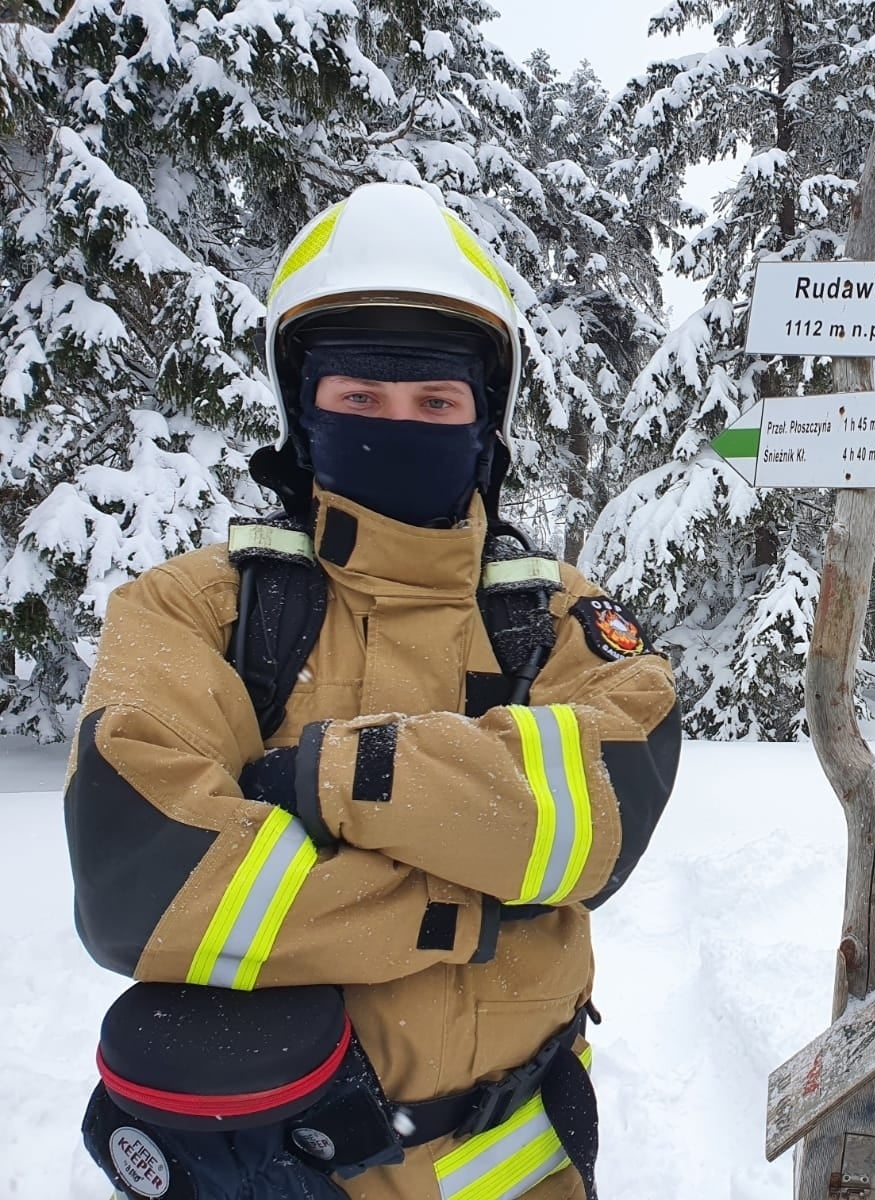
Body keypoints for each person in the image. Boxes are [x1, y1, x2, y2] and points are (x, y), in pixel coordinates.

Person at [65, 181, 681, 1200]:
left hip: (513, 1163)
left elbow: (604, 816)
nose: (400, 422)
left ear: (485, 424)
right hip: (274, 1164)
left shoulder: (560, 615)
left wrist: (335, 777)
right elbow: (146, 883)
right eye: (360, 398)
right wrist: (466, 897)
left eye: (436, 401)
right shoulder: (194, 611)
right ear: (304, 416)